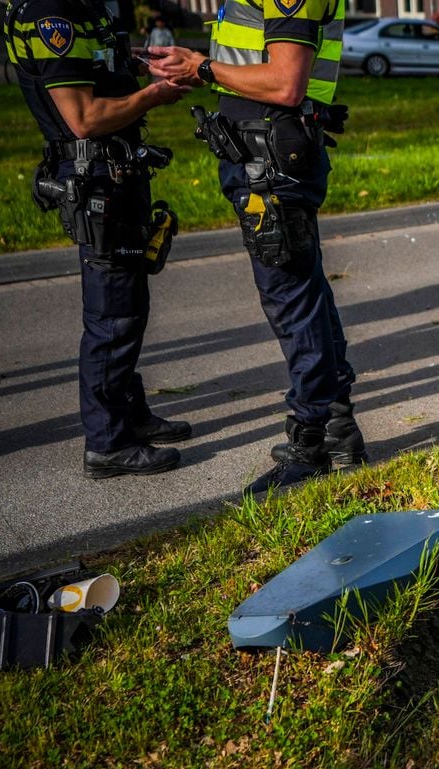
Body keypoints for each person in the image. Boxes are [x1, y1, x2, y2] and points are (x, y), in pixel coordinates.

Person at [148, 0, 367, 497]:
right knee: (303, 289)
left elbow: (286, 81)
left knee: (290, 297)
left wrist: (201, 67)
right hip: (262, 152)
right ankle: (336, 429)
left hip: (272, 159)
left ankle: (311, 444)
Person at [4, 0, 192, 479]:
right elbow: (83, 117)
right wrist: (152, 96)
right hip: (96, 180)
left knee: (130, 305)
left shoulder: (86, 8)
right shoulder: (53, 16)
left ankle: (130, 415)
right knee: (112, 317)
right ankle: (108, 443)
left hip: (120, 172)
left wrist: (142, 62)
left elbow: (102, 64)